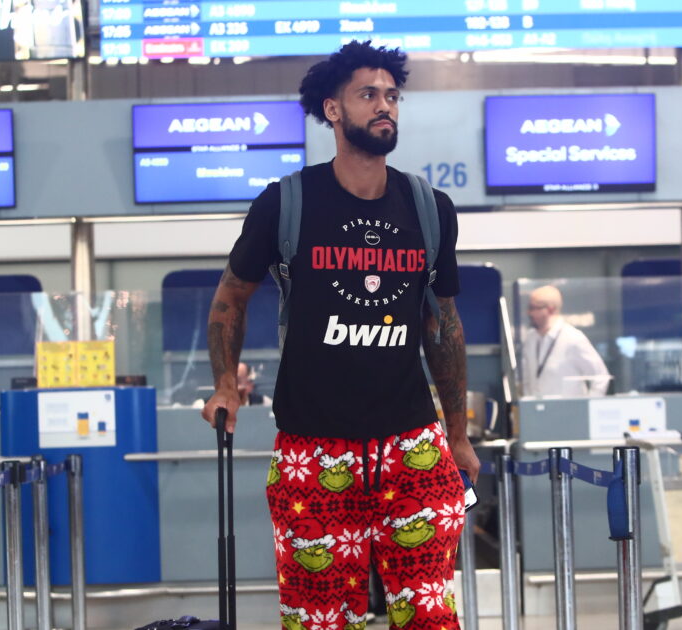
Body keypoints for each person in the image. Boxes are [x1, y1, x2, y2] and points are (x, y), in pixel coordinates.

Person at [201, 41, 478, 630]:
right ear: (332, 109)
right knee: (319, 619)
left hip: (412, 445)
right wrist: (225, 384)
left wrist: (457, 434)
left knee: (429, 615)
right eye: (368, 95)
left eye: (392, 96)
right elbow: (230, 298)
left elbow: (442, 324)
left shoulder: (430, 208)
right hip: (313, 447)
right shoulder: (286, 203)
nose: (385, 106)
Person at [521, 285, 611, 397]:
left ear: (550, 309)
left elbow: (601, 377)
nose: (529, 313)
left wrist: (587, 405)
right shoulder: (531, 338)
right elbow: (527, 379)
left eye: (534, 308)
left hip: (569, 407)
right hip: (536, 406)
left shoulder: (572, 338)